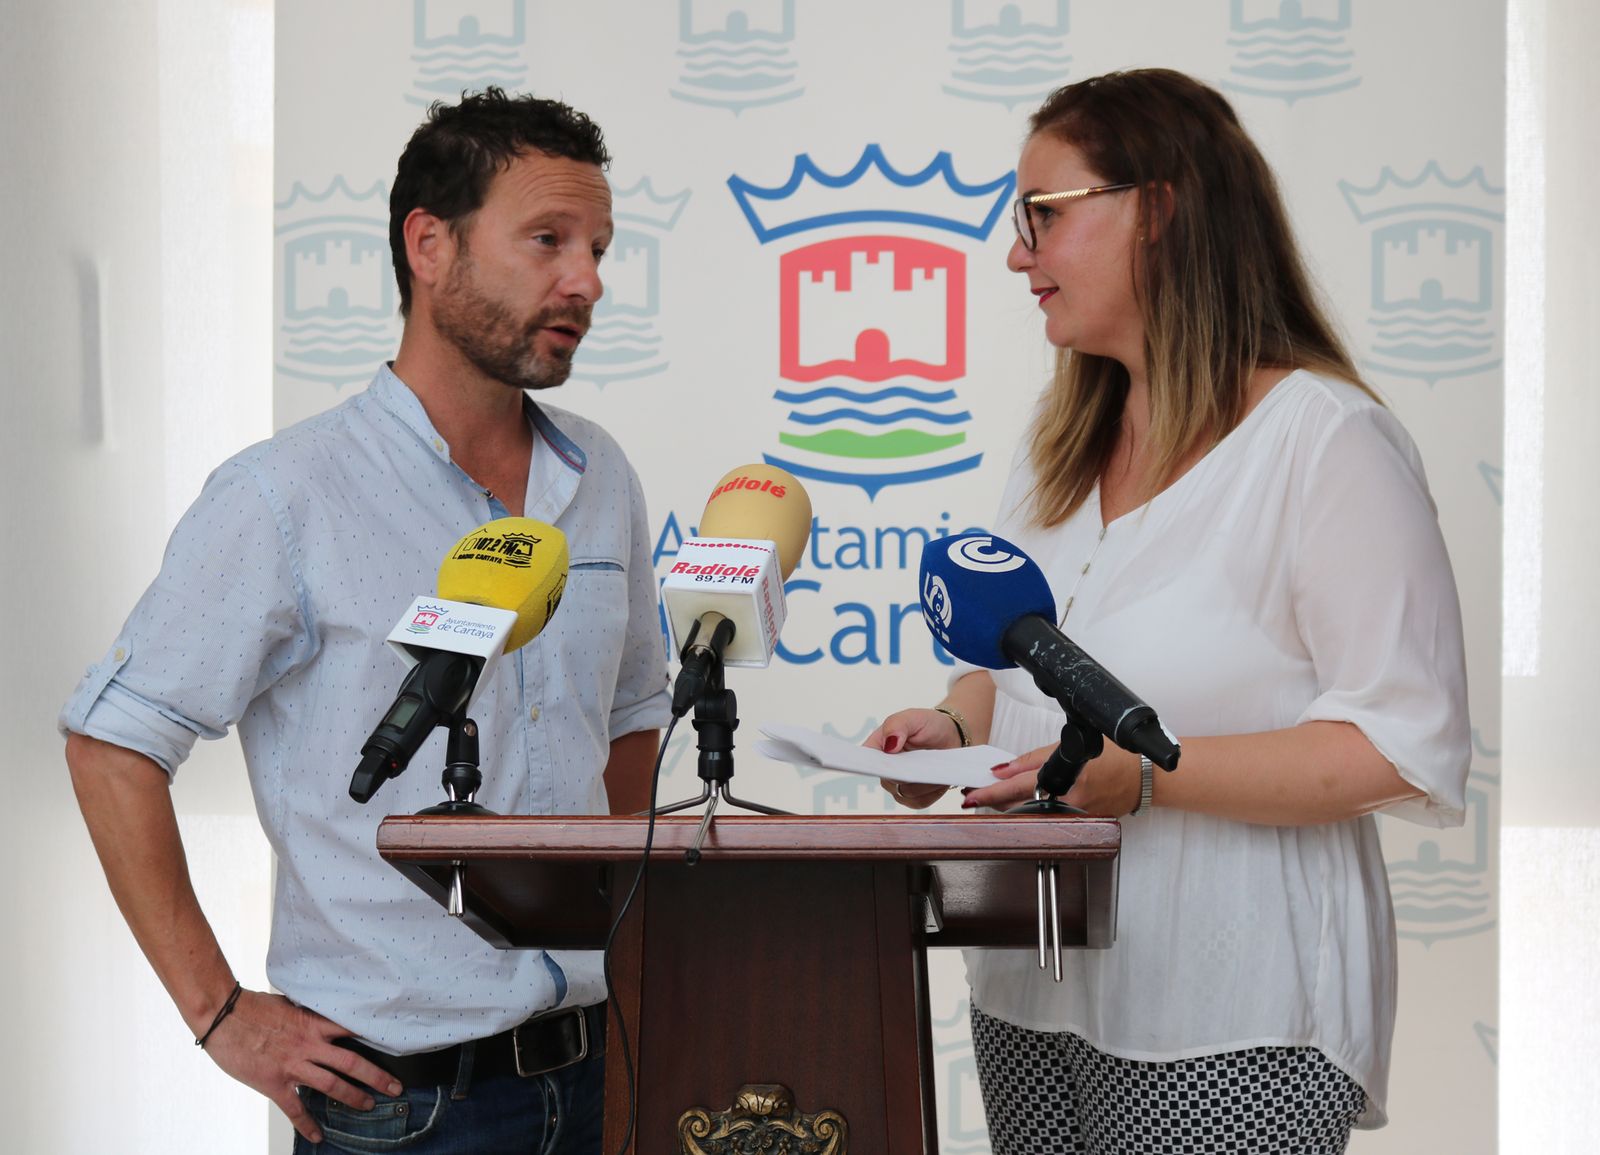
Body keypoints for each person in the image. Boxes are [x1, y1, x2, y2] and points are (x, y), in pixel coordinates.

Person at [868, 69, 1470, 1155]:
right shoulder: (1056, 451)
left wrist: (1144, 776)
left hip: (1227, 1013)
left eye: (1042, 217)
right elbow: (1012, 662)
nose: (1017, 256)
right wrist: (953, 732)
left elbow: (1396, 743)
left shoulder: (1323, 443)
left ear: (1161, 209)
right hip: (1032, 989)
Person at [60, 89, 670, 1154]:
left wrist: (626, 956)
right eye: (547, 241)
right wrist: (218, 1014)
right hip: (403, 1108)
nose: (587, 280)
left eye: (598, 248)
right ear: (428, 246)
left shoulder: (600, 475)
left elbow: (630, 720)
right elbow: (113, 745)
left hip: (599, 1068)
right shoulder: (282, 496)